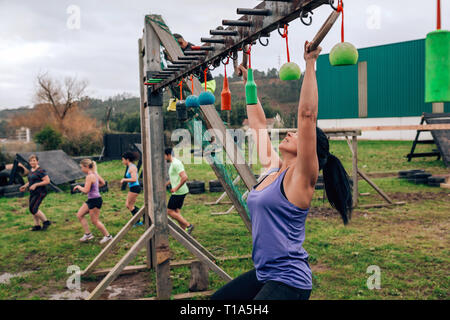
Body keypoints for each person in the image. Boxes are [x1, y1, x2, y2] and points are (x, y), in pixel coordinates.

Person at [211, 41, 352, 300]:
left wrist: (310, 63)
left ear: (310, 150)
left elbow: (307, 115)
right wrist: (249, 80)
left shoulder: (301, 180)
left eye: (297, 134)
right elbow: (256, 122)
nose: (289, 132)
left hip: (290, 280)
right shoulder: (272, 168)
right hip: (265, 274)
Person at [73, 159, 112, 244]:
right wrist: (94, 188)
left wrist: (79, 187)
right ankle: (88, 234)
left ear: (86, 167)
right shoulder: (95, 174)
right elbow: (103, 183)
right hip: (91, 199)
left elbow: (86, 190)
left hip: (95, 200)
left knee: (95, 221)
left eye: (82, 167)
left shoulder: (89, 176)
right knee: (80, 215)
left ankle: (108, 236)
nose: (81, 169)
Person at [164, 148, 194, 234]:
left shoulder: (176, 163)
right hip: (180, 191)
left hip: (179, 192)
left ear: (168, 155)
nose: (164, 158)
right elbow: (175, 177)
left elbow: (184, 177)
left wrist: (176, 188)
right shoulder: (174, 163)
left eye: (164, 156)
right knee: (176, 212)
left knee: (169, 211)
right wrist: (166, 184)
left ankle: (188, 225)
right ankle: (184, 231)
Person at [19, 155, 52, 231]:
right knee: (33, 208)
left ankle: (46, 222)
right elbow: (31, 181)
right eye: (31, 161)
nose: (32, 162)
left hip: (40, 192)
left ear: (37, 161)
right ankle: (37, 226)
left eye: (34, 160)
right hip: (33, 192)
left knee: (33, 209)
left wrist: (36, 184)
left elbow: (47, 181)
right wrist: (25, 185)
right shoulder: (31, 170)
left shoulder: (41, 171)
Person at [120, 151, 143, 227]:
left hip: (135, 188)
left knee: (129, 205)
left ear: (127, 159)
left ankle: (138, 220)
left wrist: (124, 179)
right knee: (129, 205)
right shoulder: (130, 166)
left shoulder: (132, 167)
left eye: (123, 159)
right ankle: (141, 216)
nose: (122, 161)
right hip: (133, 188)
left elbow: (134, 179)